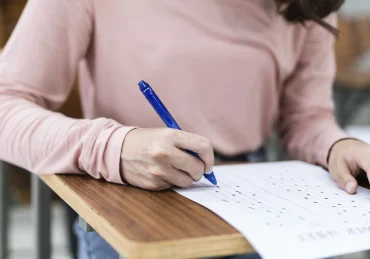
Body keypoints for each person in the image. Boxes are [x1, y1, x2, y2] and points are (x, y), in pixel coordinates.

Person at [0, 0, 368, 258]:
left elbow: (307, 118)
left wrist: (338, 146)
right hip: (128, 203)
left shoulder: (308, 5)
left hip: (252, 206)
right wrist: (112, 146)